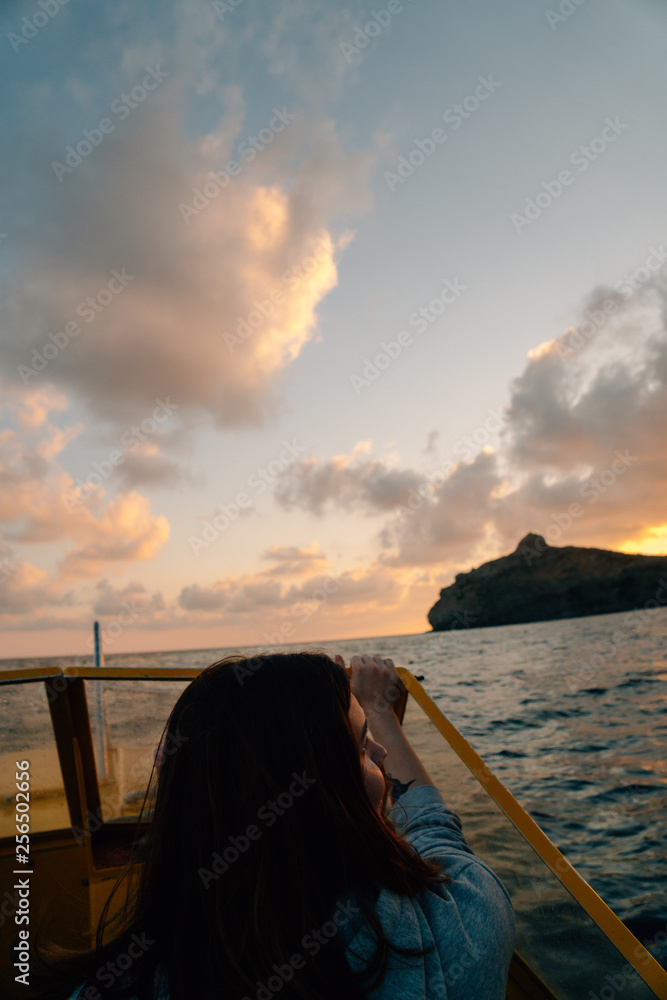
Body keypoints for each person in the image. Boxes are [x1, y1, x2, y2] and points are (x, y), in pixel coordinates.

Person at [36, 652, 515, 1000]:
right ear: (324, 796)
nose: (382, 756)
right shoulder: (462, 918)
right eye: (363, 745)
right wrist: (380, 710)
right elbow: (434, 825)